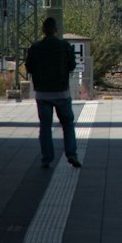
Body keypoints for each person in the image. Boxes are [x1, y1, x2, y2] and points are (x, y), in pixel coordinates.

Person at [25, 17, 81, 169]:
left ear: (43, 30)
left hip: (42, 94)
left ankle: (47, 159)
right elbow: (72, 65)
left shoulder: (35, 47)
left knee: (45, 126)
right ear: (56, 29)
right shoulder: (64, 46)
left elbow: (29, 67)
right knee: (67, 124)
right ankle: (71, 154)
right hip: (61, 92)